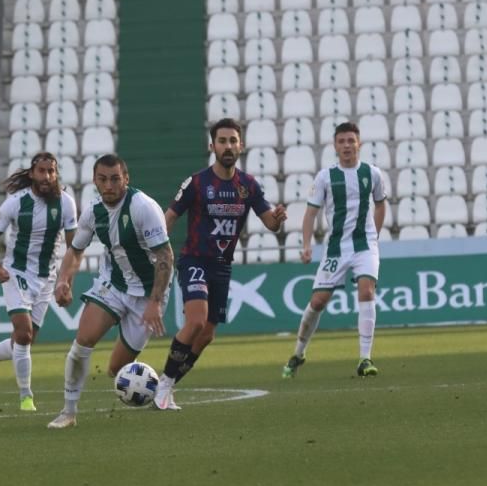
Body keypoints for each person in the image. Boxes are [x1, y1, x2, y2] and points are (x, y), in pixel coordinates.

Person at [155, 118, 287, 410]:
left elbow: (269, 224)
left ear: (241, 145)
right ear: (212, 145)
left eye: (233, 141)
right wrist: (157, 247)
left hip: (222, 267)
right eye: (223, 141)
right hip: (195, 260)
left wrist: (276, 219)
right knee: (197, 320)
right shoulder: (197, 182)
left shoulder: (248, 186)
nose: (228, 146)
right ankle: (163, 384)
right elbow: (170, 216)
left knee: (207, 335)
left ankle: (168, 385)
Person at [47, 154, 174, 430]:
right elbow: (75, 251)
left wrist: (155, 302)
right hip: (113, 285)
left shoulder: (143, 207)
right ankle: (68, 412)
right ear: (94, 181)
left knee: (116, 371)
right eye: (103, 179)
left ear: (126, 179)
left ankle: (160, 384)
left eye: (115, 179)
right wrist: (63, 280)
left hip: (147, 294)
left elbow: (165, 256)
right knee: (82, 342)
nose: (109, 185)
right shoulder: (93, 212)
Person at [0, 152, 78, 411]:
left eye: (51, 171)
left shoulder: (67, 204)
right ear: (32, 174)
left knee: (22, 339)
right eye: (42, 171)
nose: (47, 176)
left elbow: (74, 248)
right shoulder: (15, 203)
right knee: (24, 334)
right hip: (16, 273)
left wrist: (65, 281)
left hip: (47, 278)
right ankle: (26, 396)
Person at [283, 121, 390, 379]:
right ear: (335, 146)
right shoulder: (325, 177)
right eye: (341, 141)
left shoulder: (373, 174)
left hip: (365, 246)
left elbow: (380, 205)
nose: (346, 146)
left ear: (359, 144)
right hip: (336, 248)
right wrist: (307, 245)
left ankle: (365, 358)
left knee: (366, 290)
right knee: (318, 301)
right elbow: (310, 214)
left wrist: (373, 236)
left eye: (351, 141)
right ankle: (298, 353)